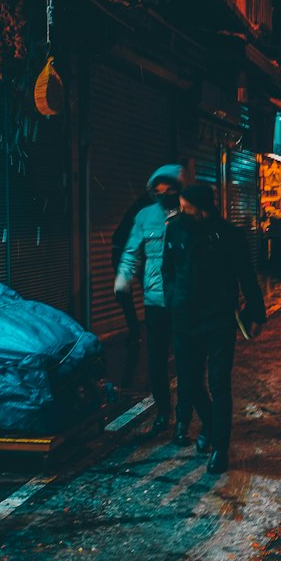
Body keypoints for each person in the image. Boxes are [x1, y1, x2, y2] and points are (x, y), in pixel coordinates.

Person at [163, 180, 266, 475]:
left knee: (219, 383)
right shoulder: (176, 229)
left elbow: (247, 275)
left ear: (203, 210)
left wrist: (256, 313)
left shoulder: (230, 236)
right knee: (190, 381)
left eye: (186, 208)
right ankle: (208, 423)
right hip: (184, 319)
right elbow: (167, 270)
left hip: (219, 319)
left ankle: (221, 447)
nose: (181, 212)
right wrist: (173, 297)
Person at [114, 164, 183, 436]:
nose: (164, 194)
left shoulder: (190, 215)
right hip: (155, 300)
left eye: (170, 189)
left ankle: (184, 416)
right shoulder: (145, 217)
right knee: (156, 360)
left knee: (187, 360)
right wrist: (122, 281)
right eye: (159, 190)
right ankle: (164, 411)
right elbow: (131, 251)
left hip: (184, 299)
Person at [110, 193, 148, 345]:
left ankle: (135, 333)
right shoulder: (145, 213)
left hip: (123, 253)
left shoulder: (138, 212)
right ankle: (138, 332)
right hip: (128, 254)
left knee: (126, 296)